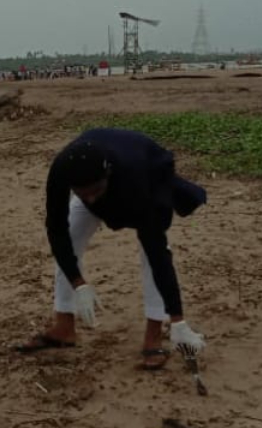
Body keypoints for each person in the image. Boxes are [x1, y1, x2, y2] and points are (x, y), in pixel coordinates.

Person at [16, 128, 207, 370]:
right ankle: (64, 327)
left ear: (108, 174)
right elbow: (57, 230)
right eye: (81, 194)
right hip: (103, 177)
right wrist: (79, 283)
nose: (91, 200)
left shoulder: (138, 180)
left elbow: (157, 252)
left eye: (94, 192)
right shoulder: (63, 169)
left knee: (151, 253)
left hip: (146, 179)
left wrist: (177, 319)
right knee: (71, 237)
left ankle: (155, 334)